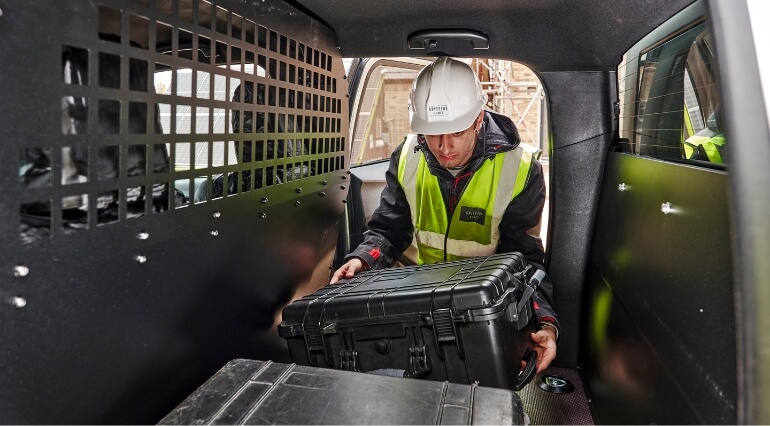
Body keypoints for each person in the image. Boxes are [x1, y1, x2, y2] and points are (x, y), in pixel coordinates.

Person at [331, 56, 560, 373]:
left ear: (479, 118)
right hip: (421, 304)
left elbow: (524, 260)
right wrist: (362, 259)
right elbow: (388, 232)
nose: (445, 146)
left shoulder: (520, 170)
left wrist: (544, 322)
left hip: (483, 311)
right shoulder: (408, 158)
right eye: (433, 133)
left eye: (457, 132)